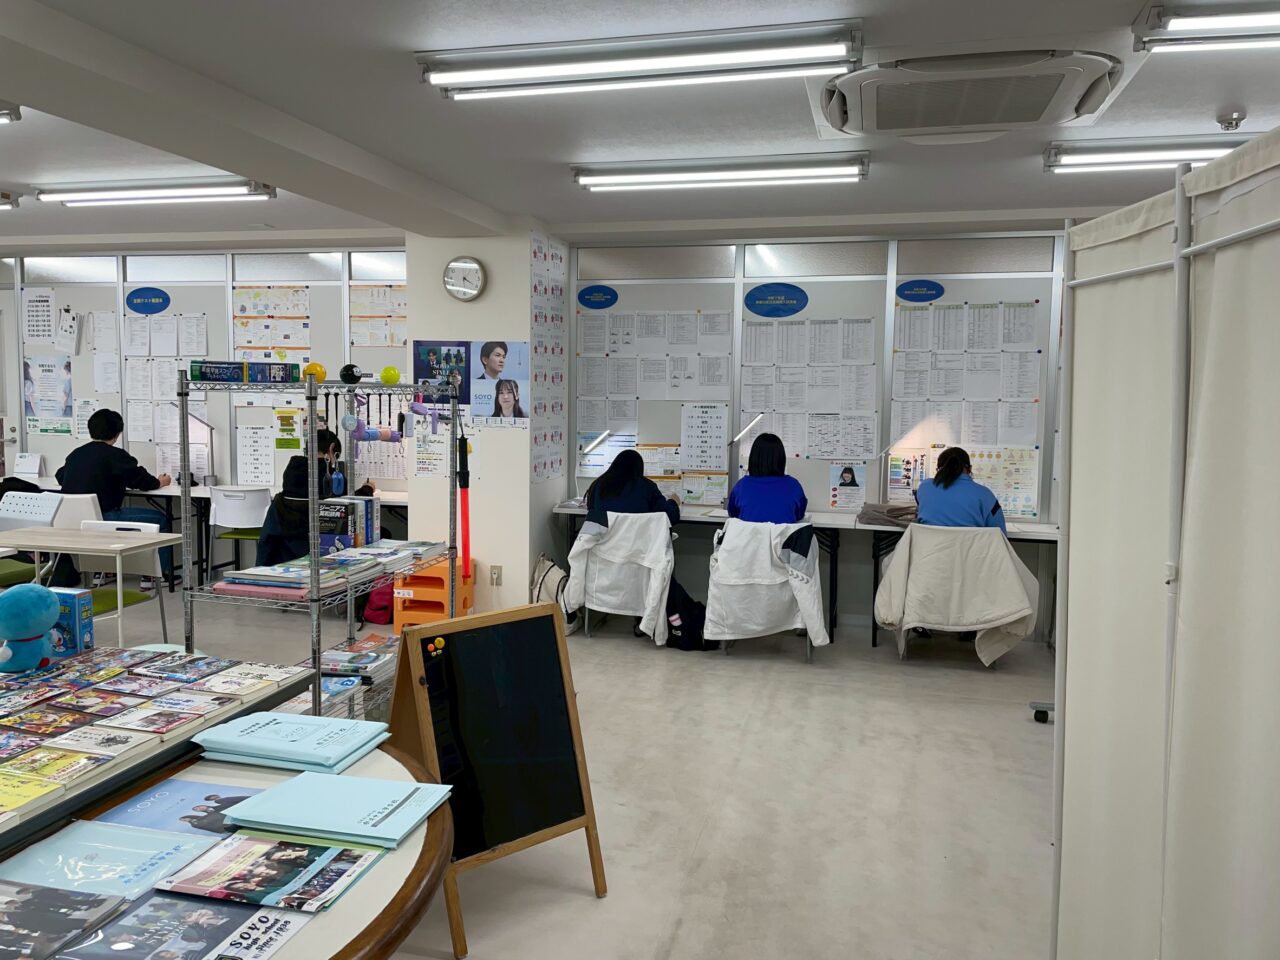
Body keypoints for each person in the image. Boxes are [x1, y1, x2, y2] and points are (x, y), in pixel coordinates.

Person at [585, 450, 712, 650]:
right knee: (665, 560)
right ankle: (666, 619)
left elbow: (592, 516)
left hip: (605, 564)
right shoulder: (646, 487)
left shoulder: (598, 486)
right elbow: (670, 516)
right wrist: (674, 502)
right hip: (641, 563)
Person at [56, 408, 174, 584]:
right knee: (161, 520)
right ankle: (157, 576)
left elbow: (60, 476)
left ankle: (102, 572)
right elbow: (143, 481)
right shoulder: (116, 456)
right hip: (105, 518)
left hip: (75, 521)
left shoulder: (76, 454)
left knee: (103, 525)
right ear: (117, 434)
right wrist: (160, 482)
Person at [915, 446, 1007, 535]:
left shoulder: (924, 487)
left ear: (939, 469)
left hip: (929, 546)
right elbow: (1000, 535)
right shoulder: (985, 494)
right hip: (971, 546)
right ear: (969, 469)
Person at [726, 433, 807, 523]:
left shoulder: (741, 486)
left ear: (753, 458)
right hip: (784, 533)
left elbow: (733, 514)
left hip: (749, 532)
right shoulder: (794, 486)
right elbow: (799, 515)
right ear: (781, 458)